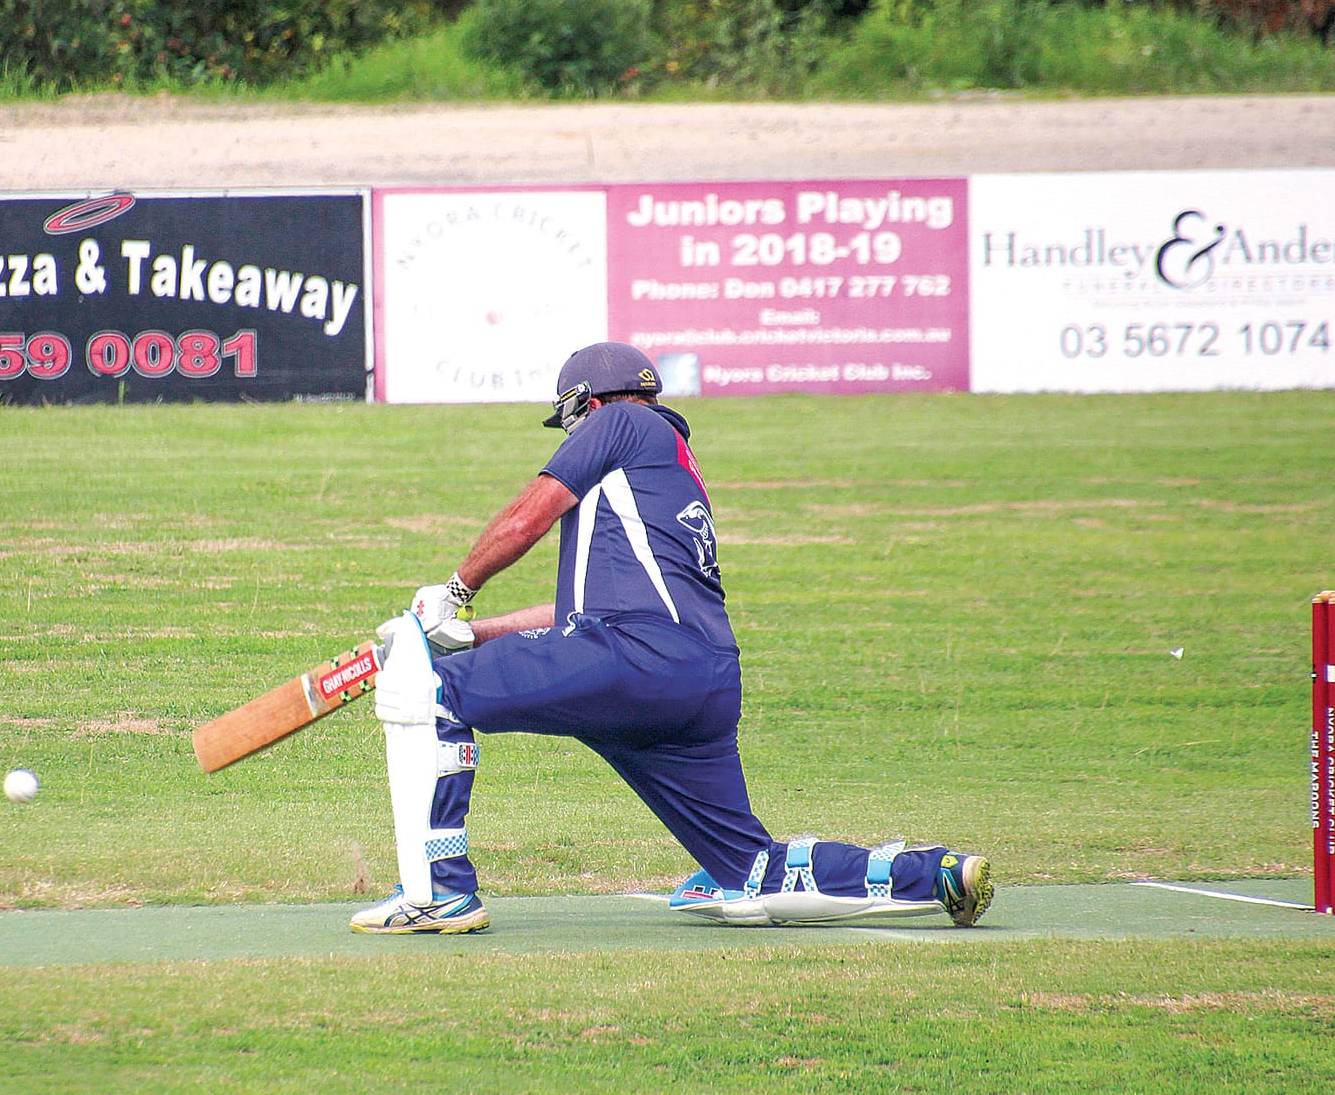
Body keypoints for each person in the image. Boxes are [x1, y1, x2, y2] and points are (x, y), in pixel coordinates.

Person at [352, 341, 993, 934]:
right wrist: (471, 635)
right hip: (697, 678)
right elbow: (577, 610)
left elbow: (529, 514)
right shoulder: (668, 470)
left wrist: (456, 589)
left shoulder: (621, 423)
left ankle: (439, 893)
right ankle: (933, 874)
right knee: (747, 870)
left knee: (427, 693)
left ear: (586, 406)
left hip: (631, 656)